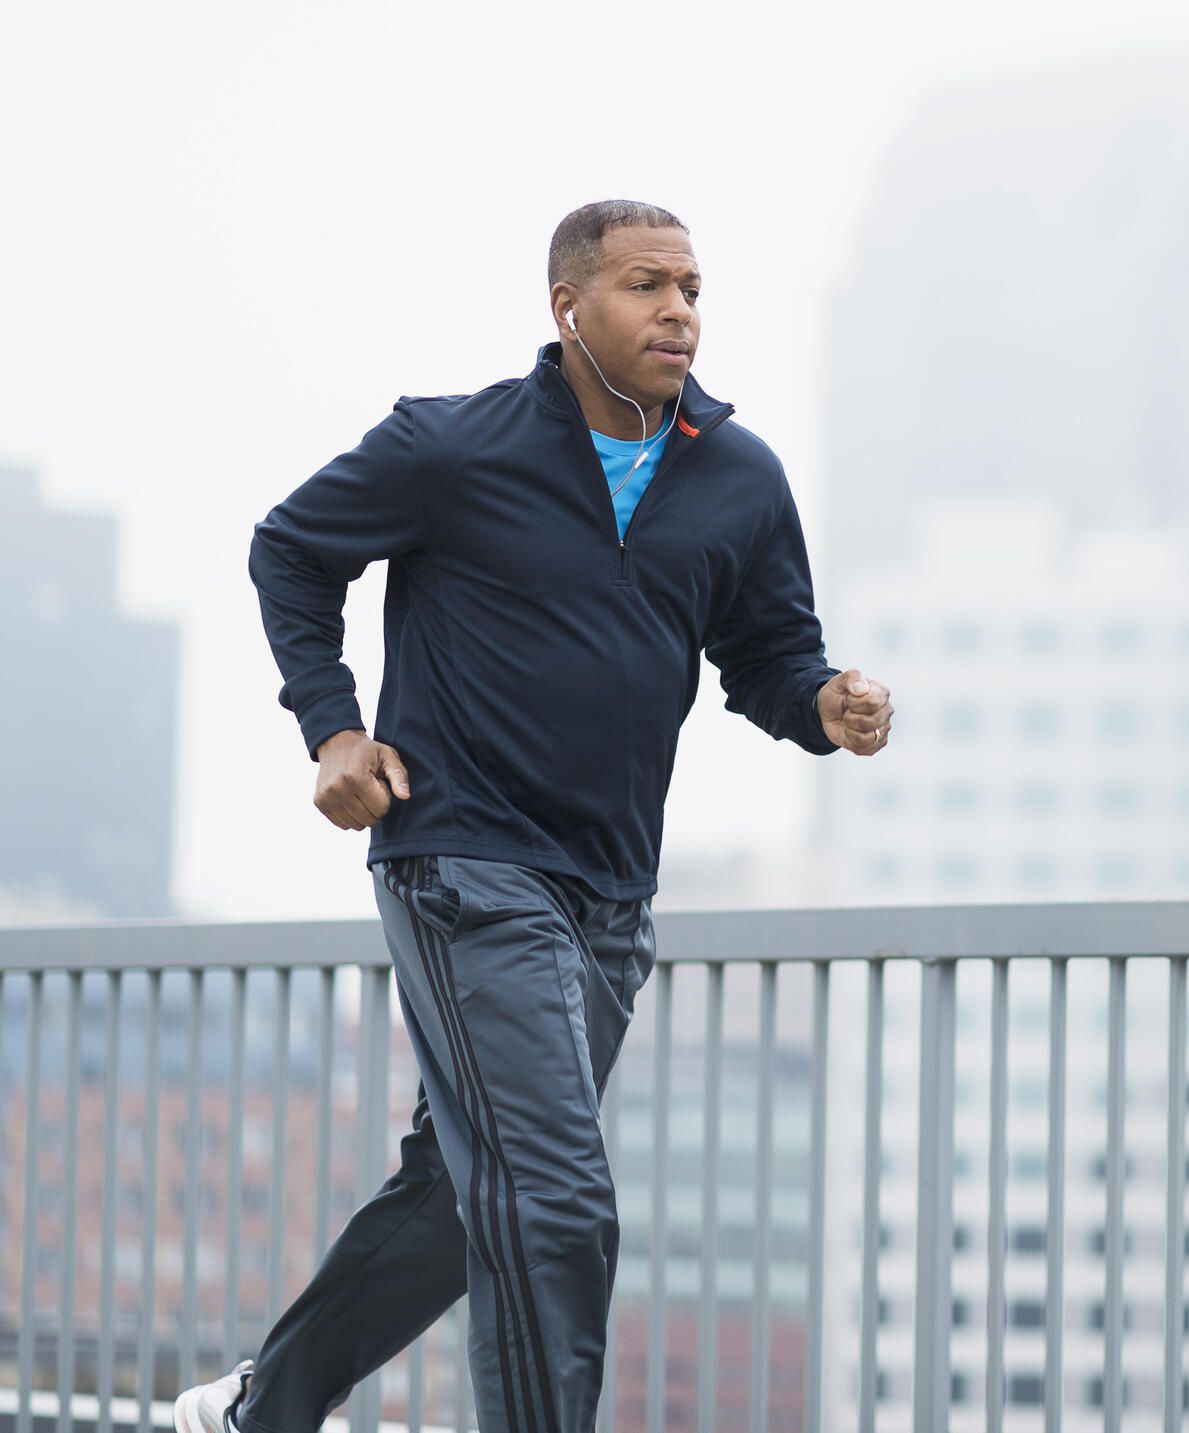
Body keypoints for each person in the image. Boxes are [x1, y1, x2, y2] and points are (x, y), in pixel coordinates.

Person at [174, 199, 894, 1433]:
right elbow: (289, 549)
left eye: (692, 287)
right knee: (554, 1196)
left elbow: (768, 654)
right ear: (568, 308)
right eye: (644, 286)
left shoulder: (738, 476)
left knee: (466, 1195)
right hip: (463, 859)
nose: (679, 310)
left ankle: (264, 1408)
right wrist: (333, 728)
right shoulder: (452, 446)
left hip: (609, 894)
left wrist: (824, 701)